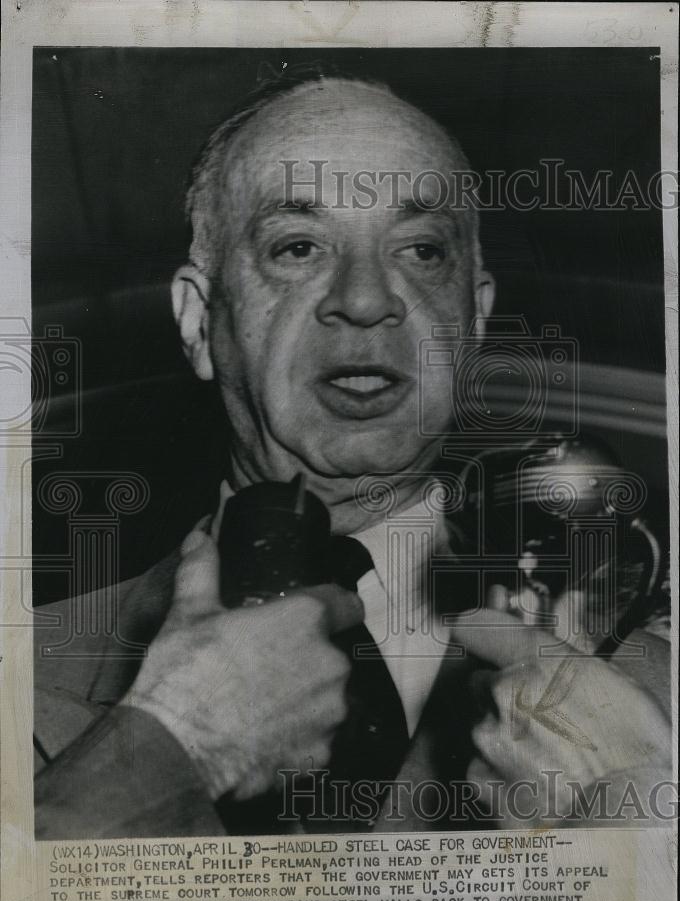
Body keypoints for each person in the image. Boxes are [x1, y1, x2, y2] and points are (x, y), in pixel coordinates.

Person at [33, 71, 671, 839]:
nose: (366, 298)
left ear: (474, 321)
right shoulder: (23, 677)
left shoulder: (656, 689)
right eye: (297, 247)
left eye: (422, 250)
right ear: (200, 323)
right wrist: (168, 744)